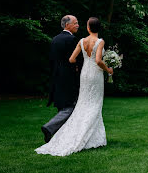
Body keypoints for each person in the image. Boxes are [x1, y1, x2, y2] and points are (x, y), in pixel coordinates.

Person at [36, 17, 113, 156]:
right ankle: (90, 136)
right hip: (93, 75)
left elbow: (71, 59)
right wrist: (108, 69)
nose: (78, 25)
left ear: (88, 28)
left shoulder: (77, 40)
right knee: (93, 104)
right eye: (75, 23)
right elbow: (97, 60)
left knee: (82, 104)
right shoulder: (100, 41)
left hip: (79, 74)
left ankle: (73, 133)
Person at [40, 15, 81, 144]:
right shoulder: (72, 40)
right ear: (67, 25)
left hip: (56, 76)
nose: (77, 25)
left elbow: (52, 60)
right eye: (75, 23)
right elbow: (76, 60)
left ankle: (61, 138)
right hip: (68, 77)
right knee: (70, 106)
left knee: (62, 105)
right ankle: (49, 127)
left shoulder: (55, 39)